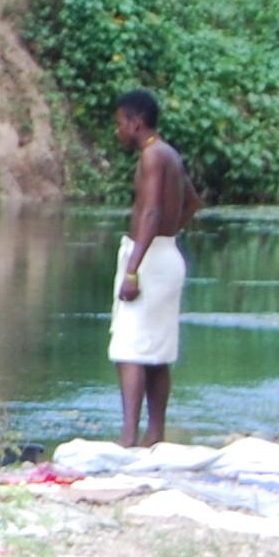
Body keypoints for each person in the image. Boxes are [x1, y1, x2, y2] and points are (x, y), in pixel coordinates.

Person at [110, 87, 198, 448]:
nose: (118, 132)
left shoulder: (151, 157)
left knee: (129, 349)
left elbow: (150, 212)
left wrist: (133, 269)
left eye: (120, 124)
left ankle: (129, 437)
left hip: (147, 259)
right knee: (158, 354)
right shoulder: (170, 155)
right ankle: (155, 435)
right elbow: (192, 203)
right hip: (167, 255)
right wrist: (168, 237)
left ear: (136, 122)